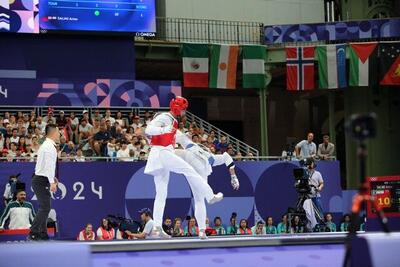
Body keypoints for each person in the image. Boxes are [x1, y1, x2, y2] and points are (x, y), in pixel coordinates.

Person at [143, 96, 223, 239]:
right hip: (162, 152)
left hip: (159, 155)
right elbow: (149, 129)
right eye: (183, 109)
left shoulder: (173, 124)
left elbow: (185, 141)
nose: (185, 112)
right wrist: (166, 129)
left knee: (161, 194)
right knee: (189, 170)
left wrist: (200, 151)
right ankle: (210, 195)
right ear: (178, 108)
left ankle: (157, 228)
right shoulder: (166, 117)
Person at [28, 124, 59, 241]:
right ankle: (34, 232)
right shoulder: (49, 147)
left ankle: (42, 233)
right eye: (58, 131)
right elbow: (48, 166)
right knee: (45, 207)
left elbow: (46, 166)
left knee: (45, 207)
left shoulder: (46, 145)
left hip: (41, 179)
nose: (59, 133)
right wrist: (51, 182)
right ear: (53, 132)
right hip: (41, 180)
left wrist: (52, 178)